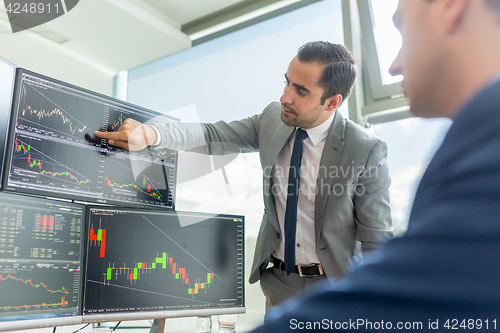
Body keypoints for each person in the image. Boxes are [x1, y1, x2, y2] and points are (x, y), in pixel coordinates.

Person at [242, 0, 500, 331]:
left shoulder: (486, 141)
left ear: (451, 8)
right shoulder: (474, 136)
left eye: (402, 32)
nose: (393, 66)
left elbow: (415, 289)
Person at [94, 42, 393, 309]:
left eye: (301, 91)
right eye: (287, 82)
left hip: (336, 286)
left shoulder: (364, 148)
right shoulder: (273, 119)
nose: (285, 97)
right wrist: (153, 132)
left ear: (332, 102)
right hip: (280, 282)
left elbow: (375, 238)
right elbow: (212, 134)